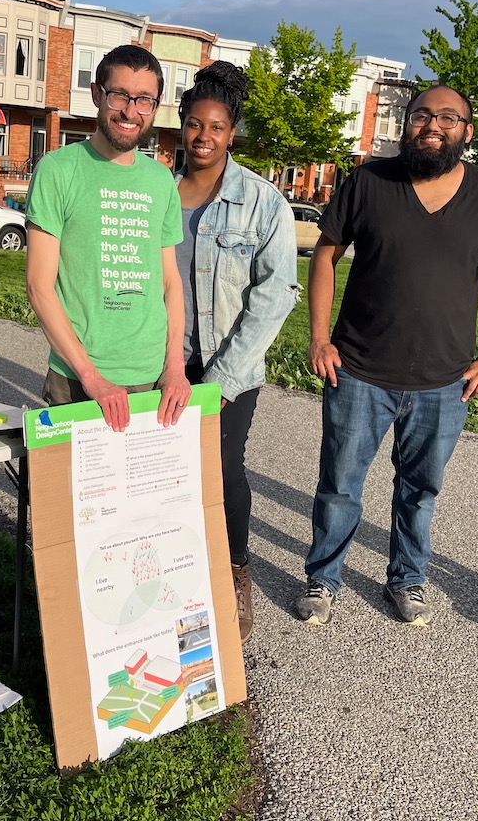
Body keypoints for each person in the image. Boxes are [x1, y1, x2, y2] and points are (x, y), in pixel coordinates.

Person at [295, 85, 478, 627]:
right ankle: (324, 579)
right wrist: (320, 337)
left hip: (445, 380)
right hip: (359, 371)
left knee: (420, 491)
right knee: (340, 486)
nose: (432, 126)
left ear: (468, 130)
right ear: (407, 122)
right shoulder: (368, 181)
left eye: (448, 117)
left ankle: (407, 580)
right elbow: (325, 256)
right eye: (421, 115)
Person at [173, 62, 299, 642]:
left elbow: (275, 295)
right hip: (163, 363)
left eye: (217, 127)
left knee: (223, 471)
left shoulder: (262, 202)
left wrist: (221, 379)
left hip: (230, 367)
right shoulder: (156, 192)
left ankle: (234, 573)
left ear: (232, 133)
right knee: (165, 473)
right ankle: (175, 574)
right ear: (181, 124)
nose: (204, 137)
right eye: (195, 124)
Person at [25, 44, 190, 431]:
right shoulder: (58, 170)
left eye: (144, 100)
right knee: (69, 475)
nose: (131, 112)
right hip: (77, 377)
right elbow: (38, 287)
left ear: (156, 105)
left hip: (152, 377)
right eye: (120, 95)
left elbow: (170, 283)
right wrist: (92, 378)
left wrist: (175, 367)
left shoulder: (161, 180)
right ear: (97, 94)